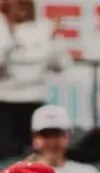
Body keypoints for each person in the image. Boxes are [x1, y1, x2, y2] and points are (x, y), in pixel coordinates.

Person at [0, 0, 71, 159]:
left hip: (35, 103)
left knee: (36, 156)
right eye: (17, 3)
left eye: (25, 3)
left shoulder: (44, 28)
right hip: (4, 103)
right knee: (6, 156)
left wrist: (55, 38)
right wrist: (8, 34)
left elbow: (61, 65)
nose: (22, 6)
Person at [27, 105, 100, 173]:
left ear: (68, 136)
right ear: (34, 138)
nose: (52, 142)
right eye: (46, 135)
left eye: (57, 135)